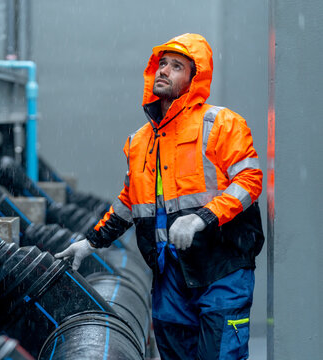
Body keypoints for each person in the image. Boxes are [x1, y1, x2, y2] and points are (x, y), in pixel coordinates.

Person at [55, 33, 264, 360]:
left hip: (222, 269)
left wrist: (201, 218)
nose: (163, 71)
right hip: (170, 276)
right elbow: (130, 201)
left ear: (195, 79)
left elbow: (249, 180)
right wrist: (91, 242)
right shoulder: (140, 141)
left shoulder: (221, 124)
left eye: (176, 66)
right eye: (161, 64)